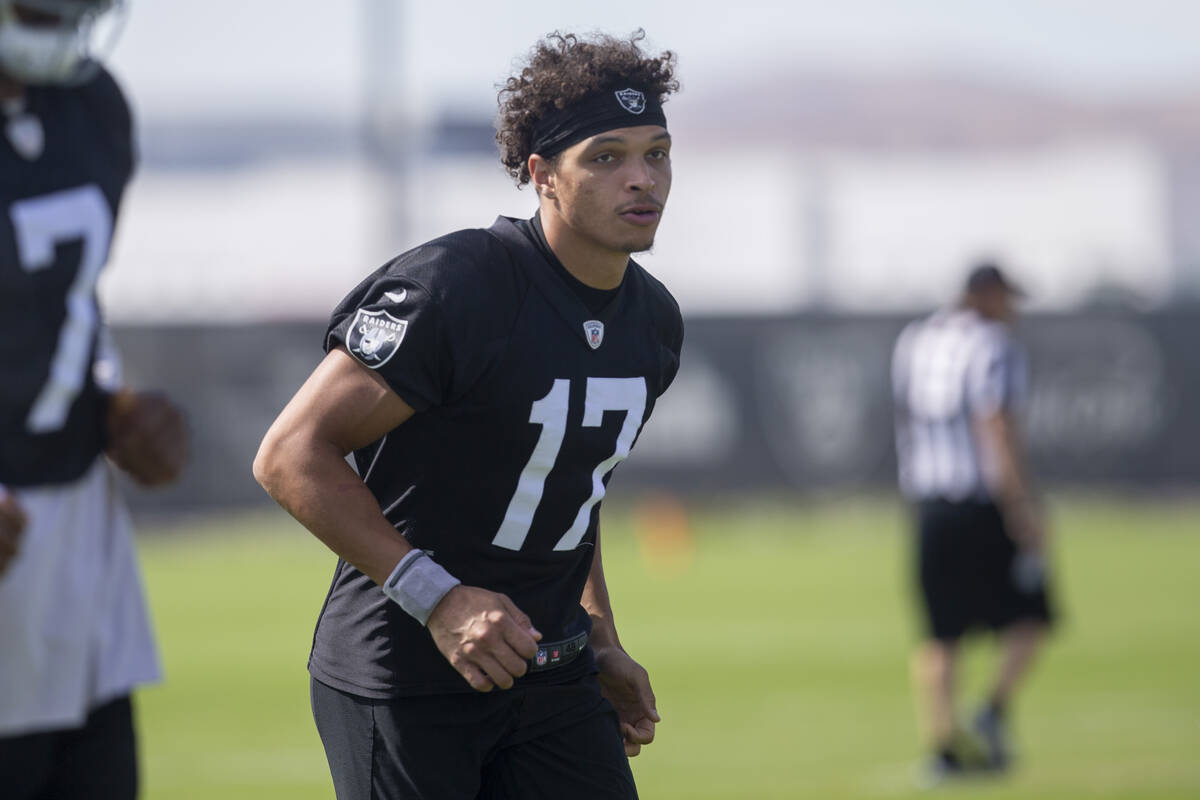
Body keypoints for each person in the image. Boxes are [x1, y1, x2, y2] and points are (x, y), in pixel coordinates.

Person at [254, 30, 683, 800]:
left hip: (552, 675)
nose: (642, 180)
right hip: (408, 673)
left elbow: (564, 494)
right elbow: (290, 455)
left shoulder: (652, 322)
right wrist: (440, 599)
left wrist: (603, 640)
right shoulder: (460, 286)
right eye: (607, 157)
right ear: (542, 175)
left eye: (657, 153)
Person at [0, 2, 188, 798]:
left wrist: (111, 396)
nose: (62, 24)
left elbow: (60, 299)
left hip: (75, 521)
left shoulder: (92, 104)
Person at [891, 262, 1055, 781]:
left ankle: (943, 748)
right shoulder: (993, 345)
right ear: (986, 296)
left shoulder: (916, 339)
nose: (1014, 311)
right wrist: (1022, 506)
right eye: (1008, 299)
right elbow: (996, 428)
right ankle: (992, 708)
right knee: (1033, 613)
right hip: (982, 501)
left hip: (929, 502)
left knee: (940, 633)